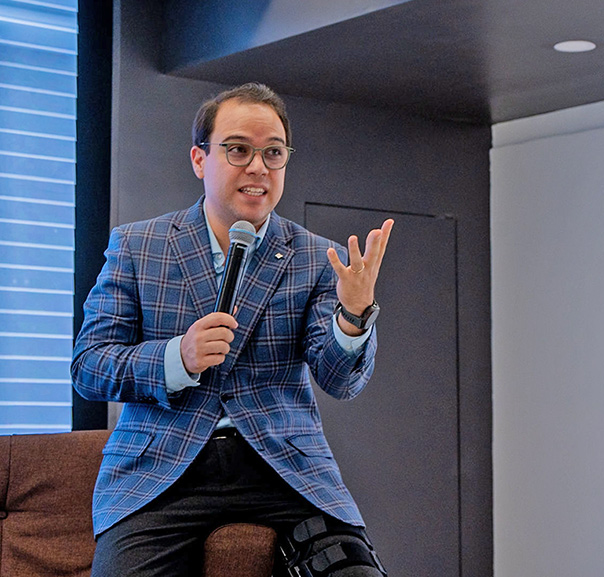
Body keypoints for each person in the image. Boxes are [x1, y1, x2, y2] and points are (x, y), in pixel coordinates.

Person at [71, 82, 394, 576]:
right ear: (200, 159)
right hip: (162, 468)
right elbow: (89, 366)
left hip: (283, 464)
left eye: (273, 153)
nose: (258, 167)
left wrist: (353, 316)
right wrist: (177, 357)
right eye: (238, 150)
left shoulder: (315, 256)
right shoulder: (138, 245)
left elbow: (339, 381)